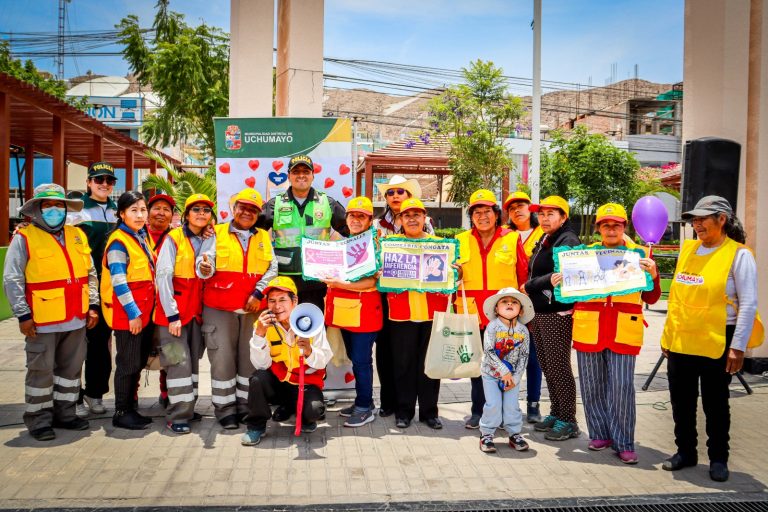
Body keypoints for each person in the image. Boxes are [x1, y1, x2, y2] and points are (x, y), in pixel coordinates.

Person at [660, 196, 761, 482]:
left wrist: (738, 346)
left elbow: (749, 303)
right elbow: (677, 299)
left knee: (715, 403)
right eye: (694, 219)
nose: (697, 224)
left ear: (722, 219)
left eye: (703, 218)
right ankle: (685, 452)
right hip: (681, 340)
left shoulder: (739, 255)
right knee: (681, 401)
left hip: (718, 341)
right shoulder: (688, 250)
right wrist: (667, 336)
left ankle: (718, 457)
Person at [3, 184, 100, 441]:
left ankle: (65, 414)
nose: (55, 210)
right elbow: (12, 279)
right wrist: (23, 315)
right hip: (41, 320)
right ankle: (38, 420)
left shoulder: (76, 235)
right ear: (37, 210)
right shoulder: (24, 238)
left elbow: (90, 273)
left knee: (70, 372)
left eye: (59, 206)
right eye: (48, 206)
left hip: (76, 318)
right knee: (41, 372)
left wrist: (92, 305)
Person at [571, 203, 661, 464]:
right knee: (591, 385)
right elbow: (570, 293)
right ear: (598, 228)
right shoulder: (582, 254)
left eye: (617, 225)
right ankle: (599, 433)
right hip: (589, 327)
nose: (611, 230)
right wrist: (561, 280)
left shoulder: (640, 254)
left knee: (622, 388)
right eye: (606, 225)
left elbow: (653, 298)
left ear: (625, 227)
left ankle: (624, 441)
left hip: (624, 327)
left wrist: (654, 275)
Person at [198, 188, 277, 430]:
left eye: (253, 210)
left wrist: (257, 293)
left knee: (248, 362)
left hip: (252, 309)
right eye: (242, 207)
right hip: (219, 308)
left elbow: (272, 269)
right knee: (222, 359)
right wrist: (205, 267)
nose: (247, 212)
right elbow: (205, 262)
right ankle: (224, 410)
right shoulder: (216, 232)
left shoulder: (263, 236)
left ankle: (245, 406)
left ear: (257, 214)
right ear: (233, 209)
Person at [456, 190, 528, 429]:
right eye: (477, 212)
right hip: (472, 314)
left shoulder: (511, 238)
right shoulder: (460, 239)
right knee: (479, 367)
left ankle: (507, 415)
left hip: (504, 316)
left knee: (507, 367)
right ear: (471, 217)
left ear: (496, 215)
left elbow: (523, 277)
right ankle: (479, 411)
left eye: (487, 211)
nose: (482, 216)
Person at [385, 198, 452, 429]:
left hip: (432, 315)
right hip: (401, 314)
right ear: (400, 219)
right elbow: (379, 276)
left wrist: (456, 270)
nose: (412, 218)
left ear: (425, 218)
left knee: (430, 365)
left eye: (417, 214)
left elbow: (453, 276)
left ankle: (429, 412)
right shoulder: (390, 244)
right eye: (406, 215)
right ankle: (403, 412)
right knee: (403, 365)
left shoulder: (440, 244)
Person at [241, 277, 333, 445]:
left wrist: (309, 351)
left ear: (295, 301)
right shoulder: (262, 325)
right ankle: (256, 426)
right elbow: (260, 365)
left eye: (282, 299)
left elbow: (324, 360)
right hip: (279, 382)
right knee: (257, 379)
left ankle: (297, 411)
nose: (277, 306)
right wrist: (260, 335)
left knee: (314, 411)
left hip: (305, 383)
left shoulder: (312, 322)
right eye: (272, 301)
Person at [521, 195, 581, 441]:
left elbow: (561, 276)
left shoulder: (567, 241)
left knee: (559, 368)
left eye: (551, 214)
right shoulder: (546, 238)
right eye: (541, 214)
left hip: (557, 312)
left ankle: (569, 420)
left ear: (563, 217)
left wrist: (529, 285)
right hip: (542, 312)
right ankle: (557, 413)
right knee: (548, 366)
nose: (544, 218)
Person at [373, 175, 434, 418]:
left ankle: (415, 407)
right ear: (386, 198)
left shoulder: (425, 225)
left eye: (401, 191)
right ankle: (391, 403)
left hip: (418, 300)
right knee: (388, 353)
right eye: (391, 192)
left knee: (409, 355)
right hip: (387, 297)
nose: (395, 196)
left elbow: (435, 255)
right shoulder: (377, 225)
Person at [154, 194, 214, 434]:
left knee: (192, 366)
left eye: (206, 210)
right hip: (174, 317)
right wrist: (172, 315)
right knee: (177, 363)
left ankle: (188, 408)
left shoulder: (208, 238)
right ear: (187, 214)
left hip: (195, 315)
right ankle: (177, 415)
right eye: (196, 209)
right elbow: (163, 276)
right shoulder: (173, 238)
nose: (201, 213)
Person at [255, 155, 347, 311]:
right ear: (289, 176)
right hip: (284, 279)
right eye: (296, 171)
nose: (301, 175)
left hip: (316, 281)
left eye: (306, 171)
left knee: (311, 326)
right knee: (285, 327)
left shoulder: (328, 203)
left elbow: (352, 230)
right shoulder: (274, 204)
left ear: (312, 176)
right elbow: (251, 231)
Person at [321, 196, 383, 428]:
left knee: (361, 362)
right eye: (352, 215)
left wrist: (339, 284)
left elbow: (372, 284)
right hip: (346, 313)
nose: (356, 220)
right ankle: (362, 401)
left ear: (369, 220)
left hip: (365, 314)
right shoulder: (344, 243)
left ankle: (365, 407)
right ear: (346, 218)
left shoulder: (374, 245)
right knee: (356, 362)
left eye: (361, 216)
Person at [101, 191, 157, 430]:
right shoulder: (118, 242)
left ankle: (131, 408)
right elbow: (119, 281)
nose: (140, 214)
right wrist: (134, 314)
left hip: (143, 313)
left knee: (137, 361)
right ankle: (122, 411)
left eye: (143, 210)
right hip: (128, 315)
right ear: (122, 214)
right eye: (133, 210)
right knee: (128, 364)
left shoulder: (140, 236)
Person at [68, 161, 118, 418]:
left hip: (109, 289)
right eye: (99, 180)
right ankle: (73, 398)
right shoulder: (76, 211)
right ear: (88, 182)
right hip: (82, 286)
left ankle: (95, 393)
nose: (104, 185)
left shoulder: (117, 211)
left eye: (110, 181)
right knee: (76, 347)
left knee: (101, 345)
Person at [503, 190, 545, 423]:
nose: (517, 210)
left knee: (534, 357)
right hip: (509, 305)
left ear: (531, 208)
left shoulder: (544, 233)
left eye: (521, 205)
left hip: (535, 303)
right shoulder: (505, 235)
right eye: (511, 208)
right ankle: (509, 404)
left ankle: (533, 404)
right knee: (509, 355)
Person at [478, 288, 534, 453]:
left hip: (513, 378)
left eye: (514, 302)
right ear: (496, 309)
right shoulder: (492, 327)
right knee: (493, 404)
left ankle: (514, 433)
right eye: (504, 301)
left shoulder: (523, 331)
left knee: (511, 405)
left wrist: (515, 378)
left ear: (521, 310)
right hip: (491, 375)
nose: (510, 303)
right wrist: (504, 372)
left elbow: (524, 356)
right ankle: (487, 434)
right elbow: (488, 351)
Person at [143, 193, 176, 409]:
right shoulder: (135, 235)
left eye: (167, 209)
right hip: (141, 307)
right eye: (157, 208)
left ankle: (167, 395)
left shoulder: (176, 237)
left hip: (168, 308)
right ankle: (130, 401)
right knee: (136, 357)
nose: (161, 213)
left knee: (171, 354)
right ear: (147, 212)